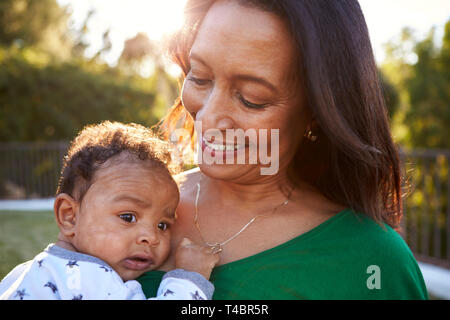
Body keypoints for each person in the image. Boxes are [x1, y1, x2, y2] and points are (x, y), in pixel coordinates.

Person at [137, 0, 428, 299]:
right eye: (199, 77)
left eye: (252, 98)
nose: (208, 117)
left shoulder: (371, 260)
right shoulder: (118, 201)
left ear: (318, 109)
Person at [0, 121, 218, 300]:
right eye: (128, 217)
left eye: (162, 225)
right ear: (69, 215)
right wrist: (189, 278)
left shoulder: (26, 274)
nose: (151, 237)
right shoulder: (88, 279)